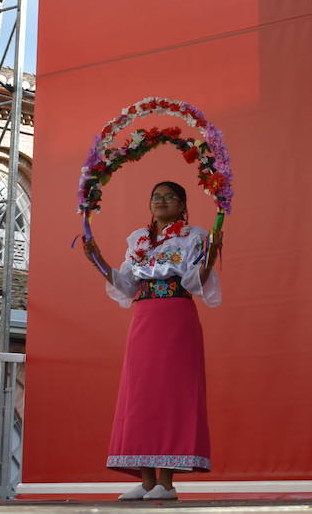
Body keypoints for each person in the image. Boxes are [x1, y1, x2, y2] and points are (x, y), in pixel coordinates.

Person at [83, 181, 223, 501]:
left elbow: (194, 281)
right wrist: (98, 260)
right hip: (144, 318)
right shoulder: (138, 240)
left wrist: (211, 256)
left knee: (171, 395)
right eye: (156, 197)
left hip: (176, 317)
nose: (161, 201)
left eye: (169, 197)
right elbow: (127, 285)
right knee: (140, 396)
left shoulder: (195, 237)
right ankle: (147, 481)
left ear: (183, 205)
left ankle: (167, 482)